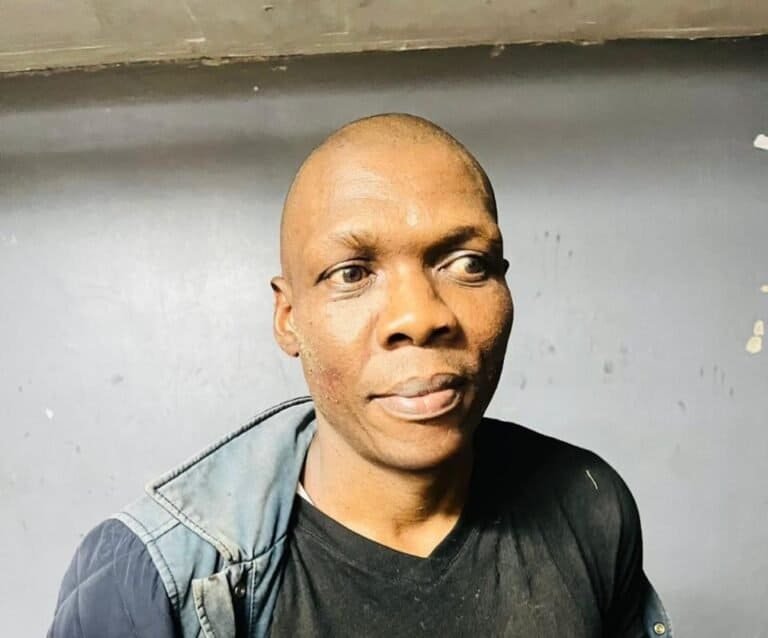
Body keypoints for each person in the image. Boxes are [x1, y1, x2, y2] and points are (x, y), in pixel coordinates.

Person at [48, 113, 672, 637]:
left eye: (467, 263)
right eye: (352, 273)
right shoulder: (148, 580)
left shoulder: (588, 505)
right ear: (289, 318)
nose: (420, 317)